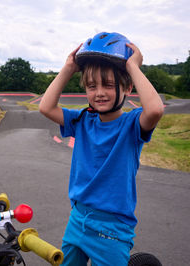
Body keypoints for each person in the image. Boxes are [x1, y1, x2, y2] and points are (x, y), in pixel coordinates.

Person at [39, 32, 164, 266]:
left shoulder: (132, 124)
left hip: (112, 228)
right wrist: (68, 67)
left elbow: (155, 110)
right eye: (91, 86)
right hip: (78, 219)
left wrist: (132, 67)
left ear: (127, 89)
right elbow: (46, 107)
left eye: (107, 85)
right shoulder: (83, 120)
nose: (98, 93)